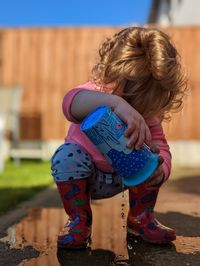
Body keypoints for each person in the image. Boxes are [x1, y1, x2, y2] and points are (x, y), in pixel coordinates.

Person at [51, 26, 187, 249]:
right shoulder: (97, 94)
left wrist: (161, 171)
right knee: (65, 155)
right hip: (88, 177)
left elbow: (161, 145)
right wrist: (115, 104)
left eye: (144, 102)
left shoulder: (149, 115)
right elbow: (70, 103)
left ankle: (141, 217)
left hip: (125, 177)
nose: (136, 108)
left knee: (153, 157)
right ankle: (79, 220)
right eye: (129, 97)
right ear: (110, 74)